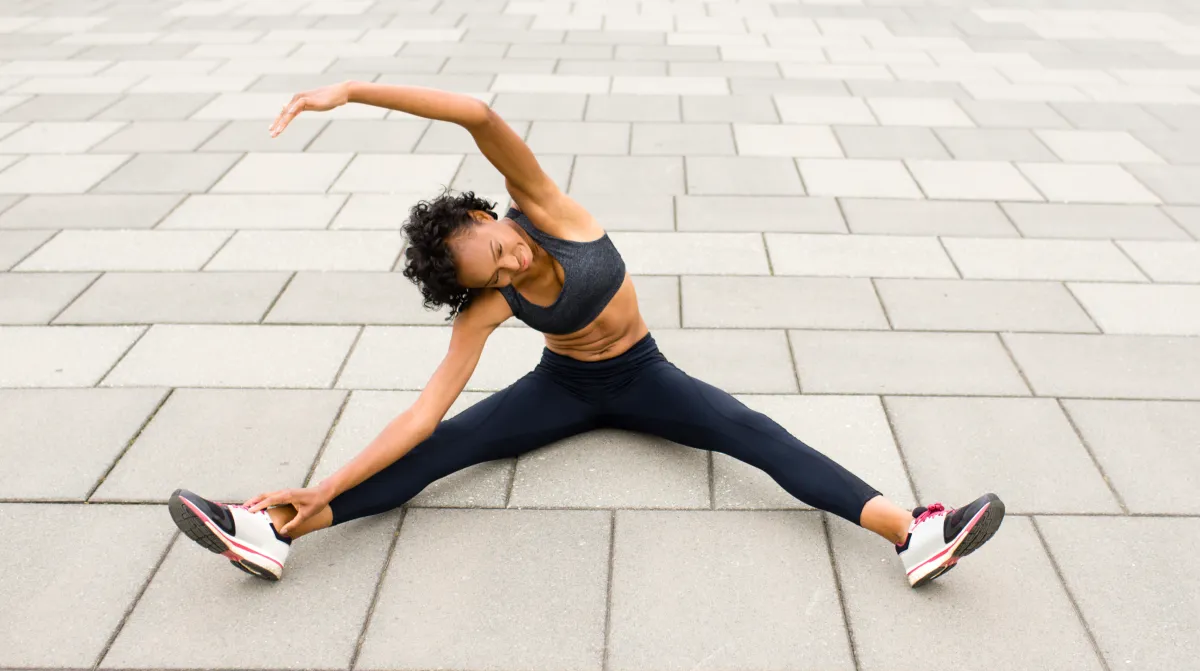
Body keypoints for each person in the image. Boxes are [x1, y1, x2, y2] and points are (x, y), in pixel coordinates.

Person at [167, 81, 1005, 589]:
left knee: (754, 433)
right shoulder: (487, 303)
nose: (512, 262)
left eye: (500, 246)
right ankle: (274, 530)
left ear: (486, 212)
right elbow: (423, 414)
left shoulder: (545, 207)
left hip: (646, 374)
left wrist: (350, 92)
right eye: (494, 275)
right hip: (563, 388)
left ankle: (912, 533)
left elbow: (476, 113)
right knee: (444, 452)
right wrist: (324, 483)